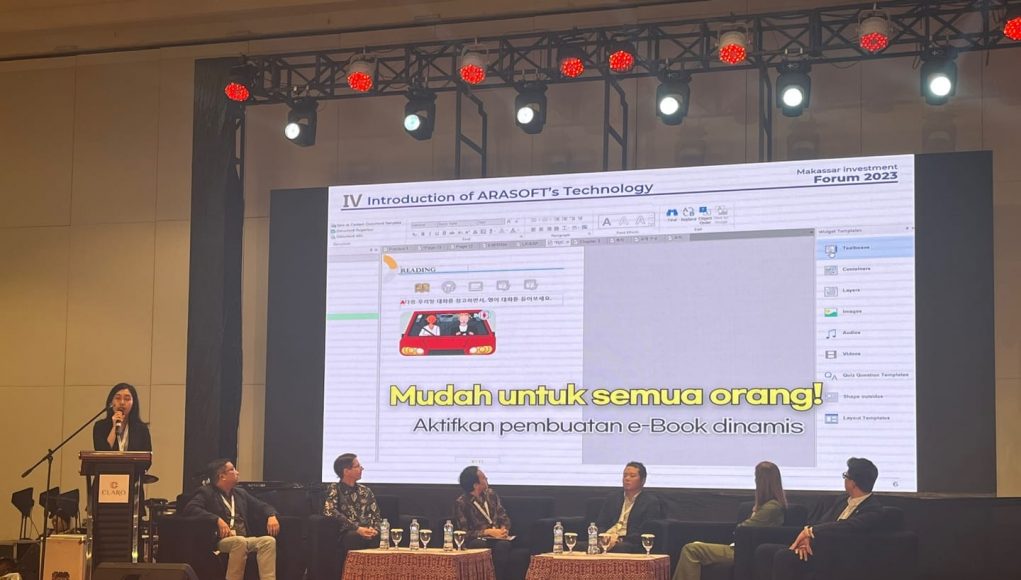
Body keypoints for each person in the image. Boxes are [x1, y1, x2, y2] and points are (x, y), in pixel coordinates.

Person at [755, 457, 883, 580]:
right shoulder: (842, 500)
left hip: (837, 557)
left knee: (784, 557)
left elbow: (846, 526)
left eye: (846, 476)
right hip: (816, 549)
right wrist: (807, 540)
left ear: (853, 483)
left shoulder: (872, 509)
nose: (844, 479)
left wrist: (811, 532)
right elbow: (821, 522)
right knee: (764, 551)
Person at [673, 461, 787, 580]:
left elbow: (742, 529)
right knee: (694, 547)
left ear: (762, 482)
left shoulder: (771, 507)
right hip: (742, 549)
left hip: (743, 552)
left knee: (691, 549)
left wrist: (754, 513)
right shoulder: (771, 506)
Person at [184, 459, 280, 580]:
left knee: (268, 541)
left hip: (243, 538)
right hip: (221, 540)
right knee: (239, 542)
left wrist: (271, 515)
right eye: (232, 469)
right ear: (222, 476)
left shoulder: (240, 493)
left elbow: (262, 506)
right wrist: (216, 519)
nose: (237, 472)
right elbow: (191, 508)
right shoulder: (207, 492)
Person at [452, 466, 512, 580]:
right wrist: (486, 532)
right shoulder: (461, 503)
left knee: (503, 545)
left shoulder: (491, 495)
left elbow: (503, 516)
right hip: (477, 539)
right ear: (476, 485)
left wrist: (504, 529)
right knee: (479, 545)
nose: (487, 479)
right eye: (484, 478)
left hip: (497, 538)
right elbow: (464, 533)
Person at [323, 454, 381, 569]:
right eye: (357, 466)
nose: (361, 468)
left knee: (380, 536)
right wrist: (357, 529)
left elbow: (375, 513)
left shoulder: (365, 490)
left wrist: (374, 529)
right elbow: (329, 510)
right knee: (354, 537)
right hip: (347, 532)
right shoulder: (335, 489)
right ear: (346, 471)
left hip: (367, 530)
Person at [596, 461, 664, 553]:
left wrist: (619, 539)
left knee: (620, 548)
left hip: (628, 542)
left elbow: (645, 531)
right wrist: (603, 537)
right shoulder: (613, 498)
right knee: (580, 545)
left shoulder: (650, 502)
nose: (627, 478)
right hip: (606, 538)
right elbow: (601, 523)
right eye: (625, 475)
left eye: (632, 476)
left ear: (643, 481)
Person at [92, 383, 152, 453]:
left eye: (127, 399)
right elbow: (102, 454)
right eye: (118, 398)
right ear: (111, 402)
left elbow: (147, 458)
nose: (122, 402)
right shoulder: (100, 426)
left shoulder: (142, 429)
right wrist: (114, 427)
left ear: (133, 403)